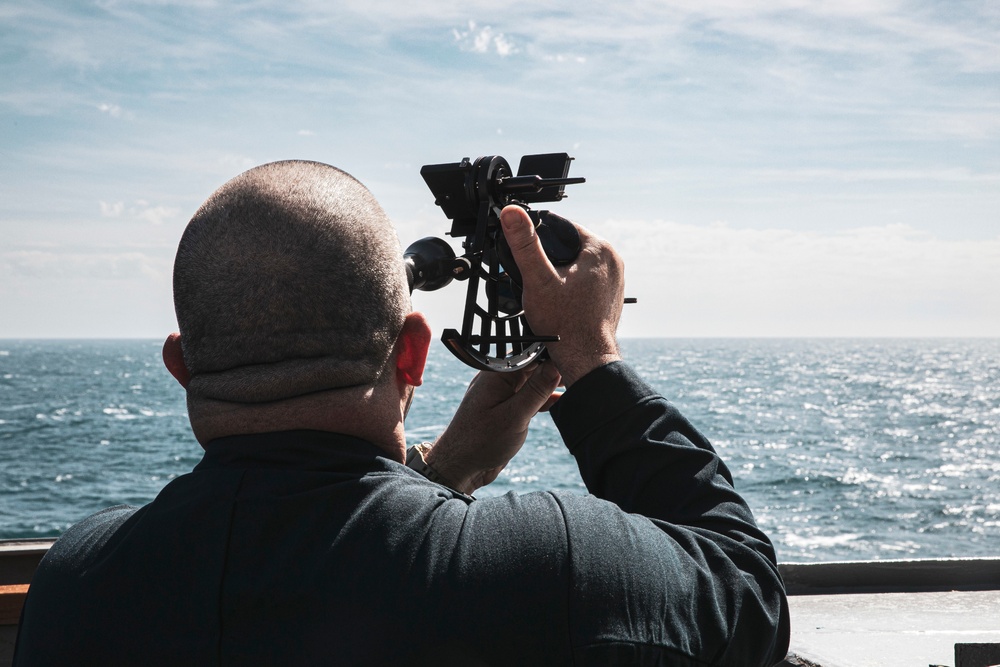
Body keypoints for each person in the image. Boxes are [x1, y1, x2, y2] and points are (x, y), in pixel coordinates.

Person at [14, 160, 790, 666]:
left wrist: (442, 471)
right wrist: (591, 356)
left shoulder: (76, 587)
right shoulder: (548, 568)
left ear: (182, 366)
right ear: (412, 354)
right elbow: (749, 595)